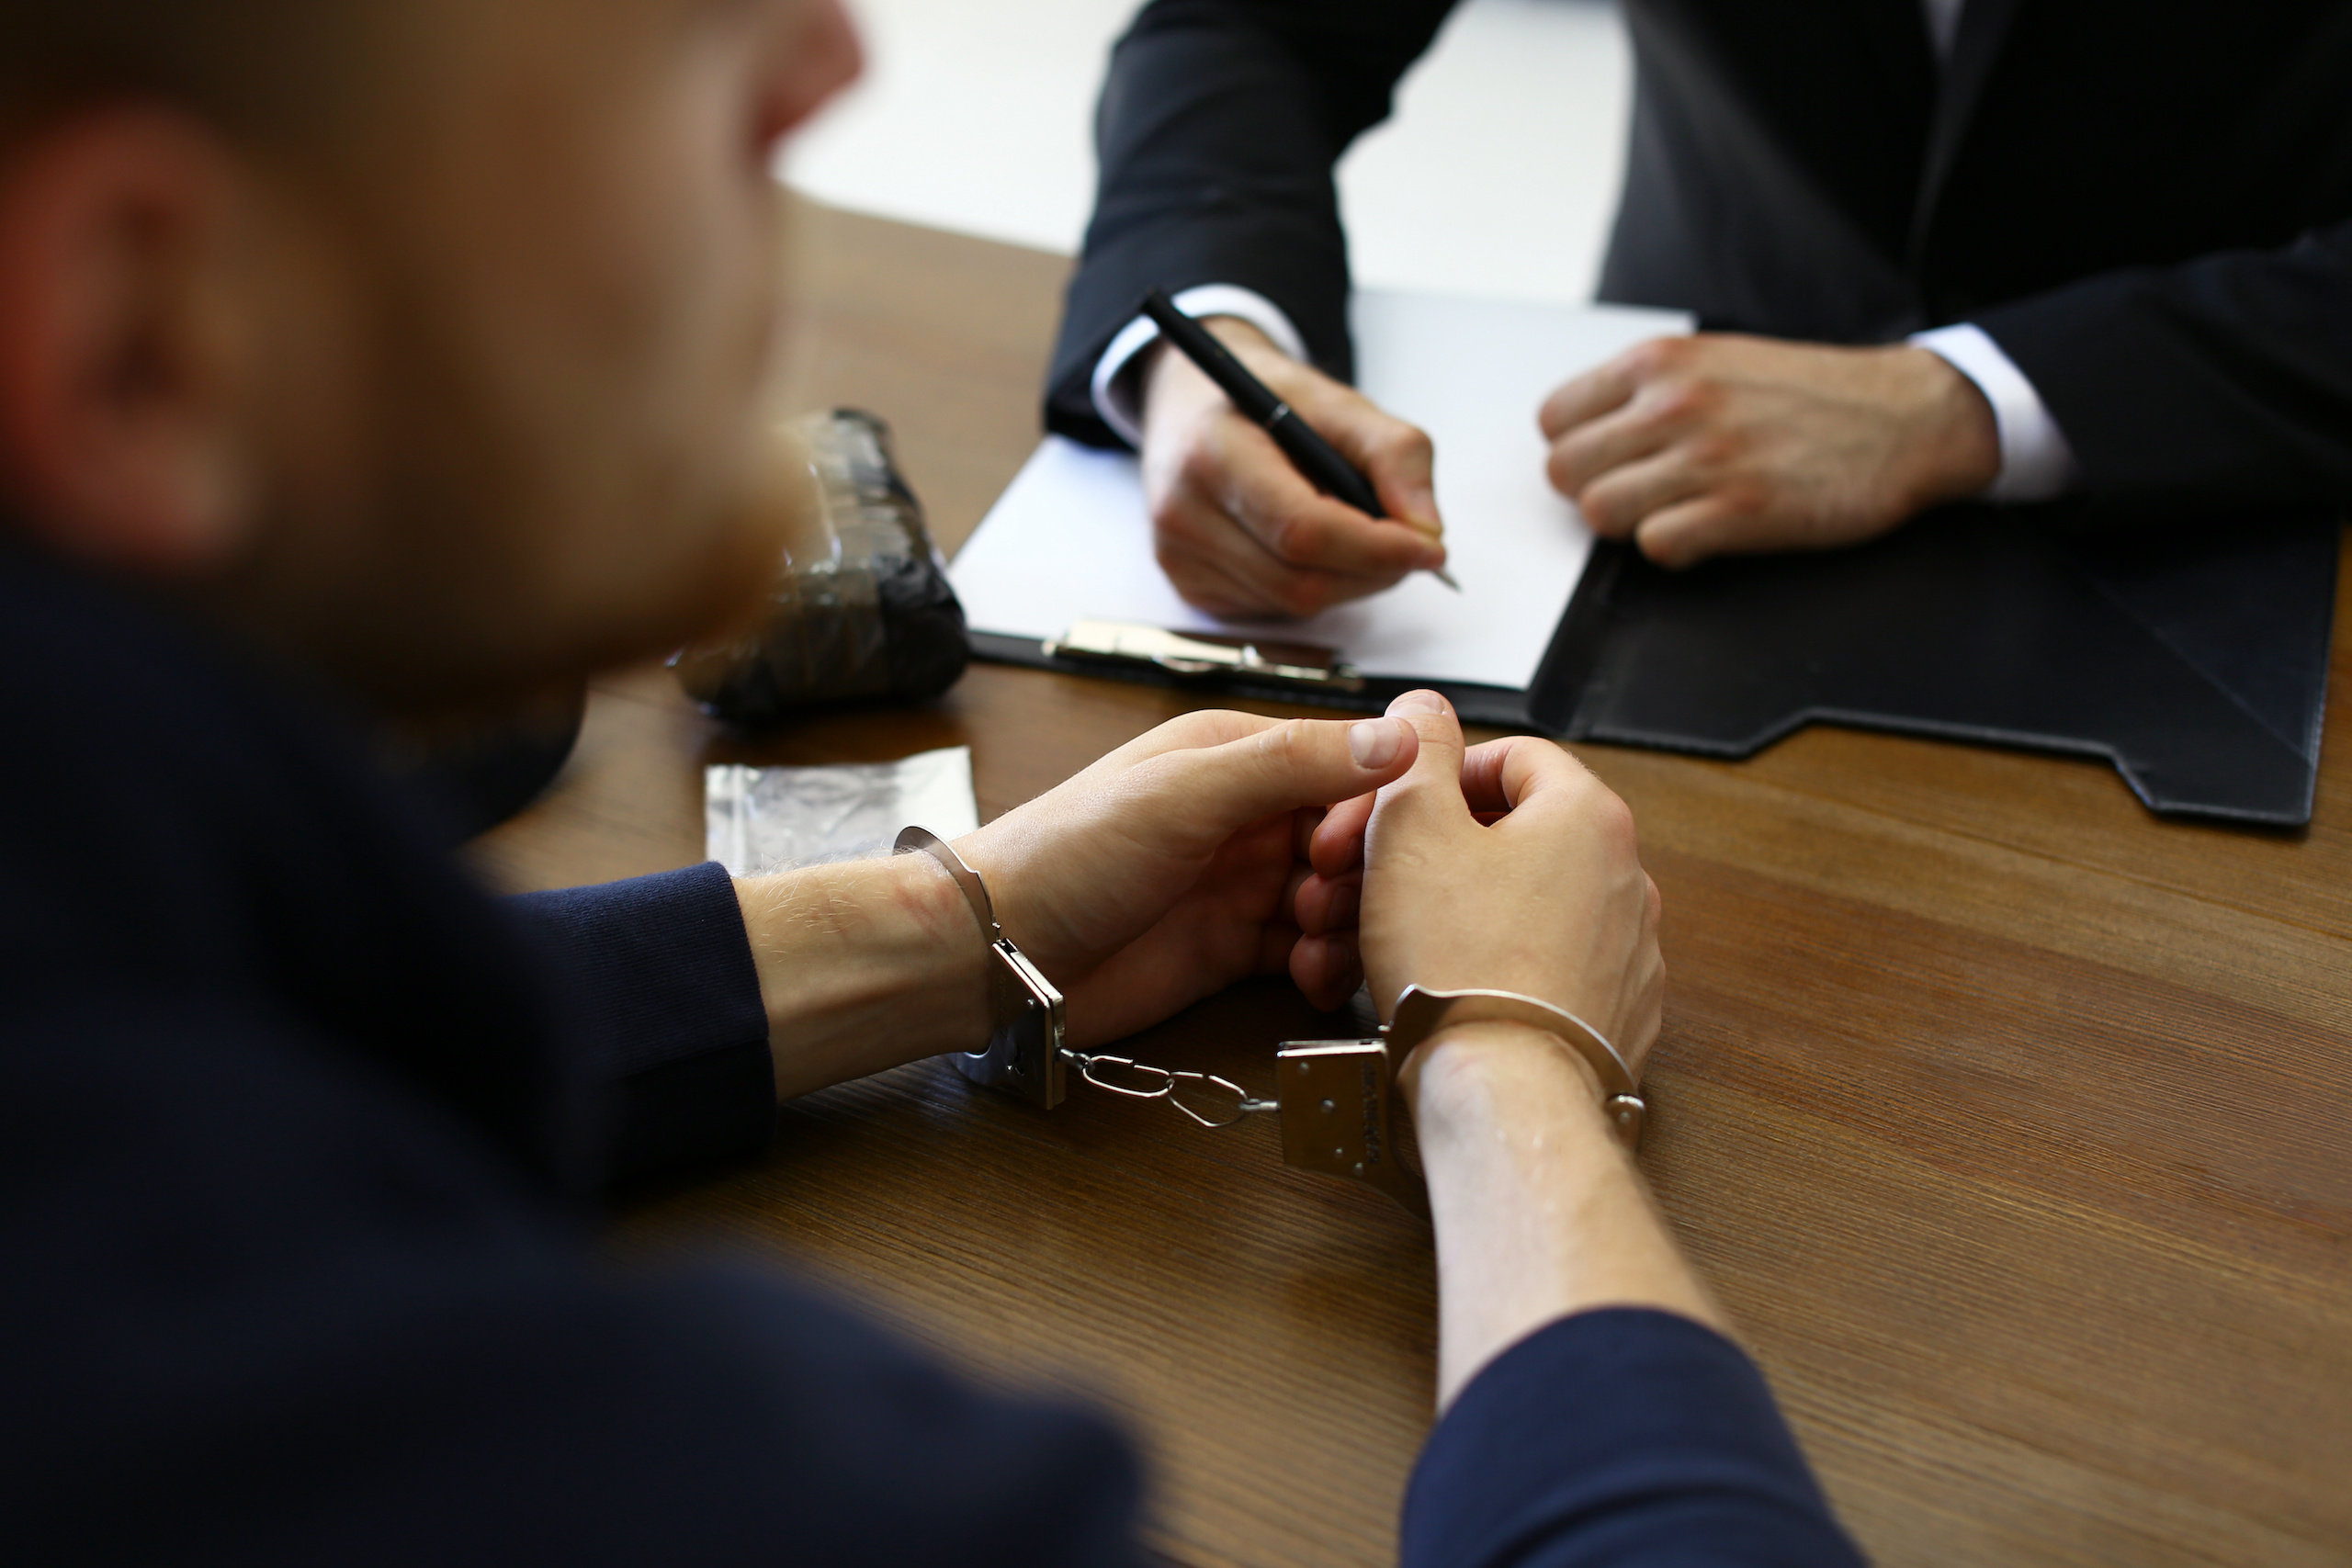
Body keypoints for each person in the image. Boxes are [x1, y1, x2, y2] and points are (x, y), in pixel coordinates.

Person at [0, 0, 1862, 1562]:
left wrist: (942, 924)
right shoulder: (642, 1480)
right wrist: (1507, 1050)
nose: (827, 61)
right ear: (145, 337)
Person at [1046, 0, 2352, 617]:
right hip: (1643, 506)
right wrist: (1208, 349)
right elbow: (1247, 30)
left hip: (2248, 489)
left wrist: (1966, 398)